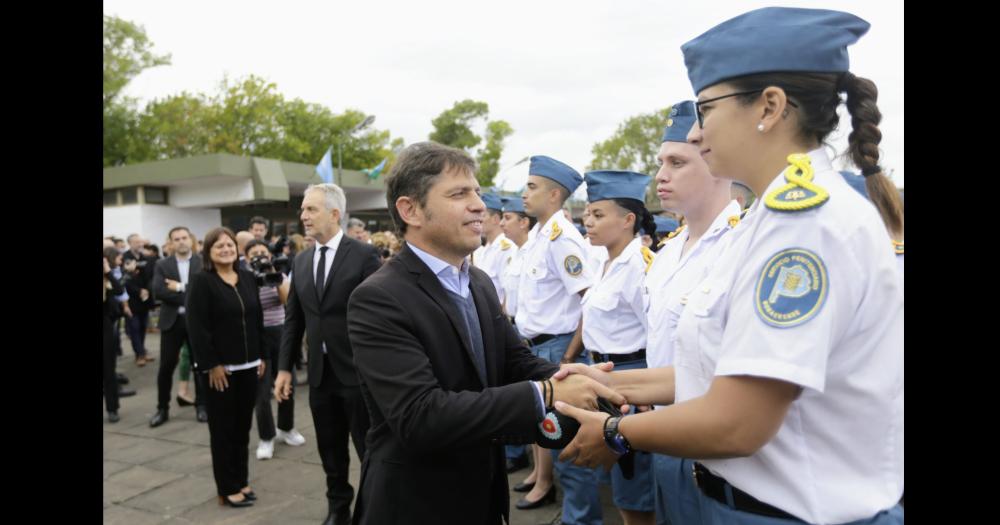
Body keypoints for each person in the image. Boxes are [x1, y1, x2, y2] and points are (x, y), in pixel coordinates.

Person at [554, 8, 904, 525]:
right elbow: (719, 373)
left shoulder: (806, 223)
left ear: (770, 106)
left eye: (707, 108)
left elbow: (738, 422)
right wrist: (611, 386)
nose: (697, 132)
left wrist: (614, 432)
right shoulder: (770, 216)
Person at [345, 141, 625, 525]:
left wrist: (580, 380)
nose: (479, 204)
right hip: (417, 503)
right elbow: (420, 416)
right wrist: (548, 392)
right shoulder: (378, 297)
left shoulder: (476, 281)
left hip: (483, 493)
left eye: (476, 191)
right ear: (410, 210)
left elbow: (515, 361)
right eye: (459, 194)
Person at [644, 99, 743, 525]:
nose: (661, 175)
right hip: (661, 435)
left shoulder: (743, 248)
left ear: (715, 161)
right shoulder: (667, 255)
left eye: (678, 162)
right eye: (661, 162)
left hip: (713, 451)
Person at [273, 183, 382, 525]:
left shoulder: (363, 255)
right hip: (320, 375)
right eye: (303, 209)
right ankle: (338, 508)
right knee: (329, 448)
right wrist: (285, 369)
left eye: (311, 209)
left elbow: (379, 315)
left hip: (357, 373)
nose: (303, 216)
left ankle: (374, 509)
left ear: (335, 214)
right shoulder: (302, 260)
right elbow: (295, 318)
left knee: (369, 449)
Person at [515, 155, 602, 521]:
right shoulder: (539, 235)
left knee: (568, 443)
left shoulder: (561, 238)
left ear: (554, 195)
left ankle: (580, 518)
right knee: (550, 436)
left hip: (557, 348)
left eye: (532, 187)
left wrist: (569, 355)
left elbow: (589, 300)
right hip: (537, 348)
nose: (524, 193)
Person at [580, 170, 657, 525]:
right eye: (587, 214)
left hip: (633, 379)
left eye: (598, 215)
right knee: (618, 483)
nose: (588, 222)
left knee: (634, 488)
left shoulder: (638, 265)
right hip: (604, 378)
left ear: (628, 220)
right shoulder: (603, 261)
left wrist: (647, 389)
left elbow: (654, 331)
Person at [185, 227, 266, 508]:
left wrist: (262, 356)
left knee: (243, 428)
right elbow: (197, 328)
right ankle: (227, 488)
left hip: (250, 365)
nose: (226, 249)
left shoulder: (246, 277)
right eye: (219, 246)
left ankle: (241, 480)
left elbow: (257, 320)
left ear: (237, 249)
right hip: (221, 370)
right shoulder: (201, 281)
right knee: (223, 431)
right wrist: (212, 365)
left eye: (230, 245)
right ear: (208, 252)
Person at [243, 239, 305, 460]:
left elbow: (288, 300)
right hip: (257, 336)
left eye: (263, 252)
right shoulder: (244, 277)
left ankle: (286, 427)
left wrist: (274, 276)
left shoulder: (279, 274)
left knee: (288, 383)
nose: (259, 256)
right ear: (246, 257)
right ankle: (266, 436)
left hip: (280, 333)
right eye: (254, 253)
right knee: (262, 389)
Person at [150, 226, 209, 427]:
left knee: (200, 366)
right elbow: (159, 292)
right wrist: (189, 293)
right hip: (171, 322)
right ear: (171, 242)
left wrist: (180, 287)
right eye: (177, 239)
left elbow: (205, 290)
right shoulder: (162, 264)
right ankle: (162, 408)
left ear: (190, 239)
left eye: (184, 237)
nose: (181, 241)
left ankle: (202, 406)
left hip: (197, 322)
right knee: (166, 367)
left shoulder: (202, 261)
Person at [122, 233, 157, 366]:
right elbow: (125, 281)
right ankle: (139, 355)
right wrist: (139, 291)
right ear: (130, 243)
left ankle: (142, 351)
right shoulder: (126, 258)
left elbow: (150, 276)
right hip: (131, 300)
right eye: (136, 242)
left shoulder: (146, 258)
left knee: (142, 327)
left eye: (140, 242)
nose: (140, 244)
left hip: (145, 298)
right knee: (134, 327)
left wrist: (147, 290)